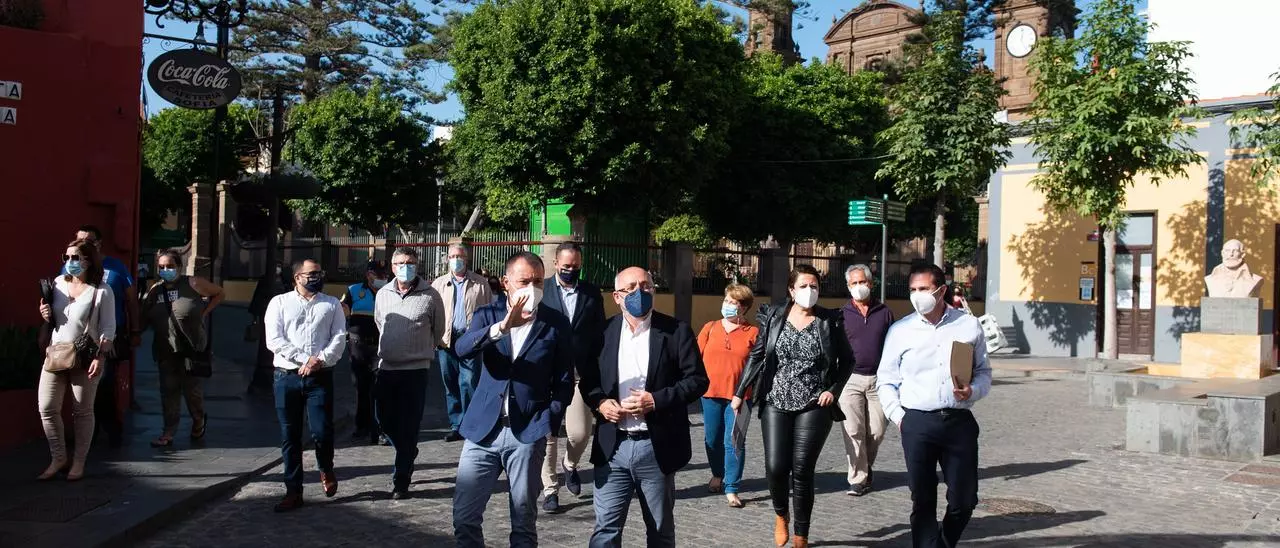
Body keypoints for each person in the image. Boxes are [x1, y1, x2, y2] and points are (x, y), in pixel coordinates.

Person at [450, 251, 574, 547]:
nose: (532, 287)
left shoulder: (556, 322)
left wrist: (548, 421)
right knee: (464, 517)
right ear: (506, 282)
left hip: (527, 432)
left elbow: (564, 381)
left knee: (523, 521)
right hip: (483, 431)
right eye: (524, 281)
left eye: (538, 281)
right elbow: (462, 348)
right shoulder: (488, 314)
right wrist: (502, 327)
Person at [580, 266, 708, 548]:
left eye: (646, 286)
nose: (639, 292)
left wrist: (656, 400)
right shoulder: (602, 334)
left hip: (655, 446)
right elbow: (588, 382)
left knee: (660, 531)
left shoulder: (676, 331)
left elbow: (697, 381)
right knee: (605, 531)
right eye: (630, 288)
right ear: (617, 297)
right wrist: (600, 403)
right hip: (613, 447)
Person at [732, 264, 854, 548]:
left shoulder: (829, 320)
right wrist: (739, 392)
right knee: (776, 467)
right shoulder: (774, 316)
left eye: (814, 286)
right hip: (776, 399)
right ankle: (780, 514)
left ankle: (801, 534)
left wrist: (833, 390)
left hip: (814, 403)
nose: (809, 291)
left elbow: (848, 361)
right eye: (803, 286)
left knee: (802, 469)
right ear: (791, 290)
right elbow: (758, 355)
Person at [878, 263, 992, 548]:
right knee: (923, 499)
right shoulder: (900, 330)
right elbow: (886, 380)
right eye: (913, 290)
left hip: (958, 422)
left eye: (924, 289)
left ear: (941, 291)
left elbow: (983, 372)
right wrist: (899, 417)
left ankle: (943, 543)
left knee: (964, 500)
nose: (917, 295)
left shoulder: (968, 325)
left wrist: (973, 390)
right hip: (917, 422)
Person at [264, 259, 347, 512]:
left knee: (322, 430)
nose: (316, 277)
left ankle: (326, 467)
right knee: (290, 436)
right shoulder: (279, 303)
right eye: (311, 273)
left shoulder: (331, 304)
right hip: (286, 377)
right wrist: (304, 359)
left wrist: (319, 360)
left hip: (319, 377)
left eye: (319, 273)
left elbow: (339, 337)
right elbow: (274, 339)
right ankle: (293, 490)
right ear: (297, 277)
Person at [37, 239, 116, 481]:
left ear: (88, 261)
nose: (69, 262)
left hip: (85, 356)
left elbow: (108, 328)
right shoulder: (58, 284)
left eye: (75, 257)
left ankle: (79, 462)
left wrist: (100, 357)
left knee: (82, 411)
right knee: (47, 407)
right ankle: (58, 457)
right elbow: (54, 319)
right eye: (67, 257)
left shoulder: (102, 291)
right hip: (56, 353)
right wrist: (44, 313)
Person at [373, 248, 446, 499]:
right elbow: (380, 323)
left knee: (409, 425)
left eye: (410, 262)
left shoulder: (431, 295)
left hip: (415, 370)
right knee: (383, 420)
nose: (406, 267)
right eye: (401, 263)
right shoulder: (383, 294)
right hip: (387, 367)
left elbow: (438, 330)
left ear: (417, 265)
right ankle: (407, 449)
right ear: (392, 267)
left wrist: (421, 349)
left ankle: (401, 480)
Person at [539, 242, 606, 513]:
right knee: (548, 433)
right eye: (566, 266)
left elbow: (599, 333)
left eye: (575, 266)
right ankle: (550, 490)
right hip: (546, 373)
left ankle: (570, 464)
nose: (570, 270)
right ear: (556, 263)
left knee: (580, 433)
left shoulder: (591, 293)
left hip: (579, 373)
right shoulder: (542, 290)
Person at [140, 249, 225, 448]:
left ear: (179, 266)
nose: (166, 270)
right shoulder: (155, 290)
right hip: (165, 349)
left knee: (192, 391)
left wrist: (204, 312)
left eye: (170, 266)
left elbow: (220, 293)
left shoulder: (193, 283)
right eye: (161, 267)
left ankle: (198, 420)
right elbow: (144, 317)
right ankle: (168, 431)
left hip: (191, 348)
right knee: (168, 391)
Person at [66, 225, 138, 446]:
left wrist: (134, 330)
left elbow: (131, 300)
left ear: (99, 243)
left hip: (108, 336)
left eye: (88, 241)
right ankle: (90, 429)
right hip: (78, 337)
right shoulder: (71, 265)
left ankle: (109, 427)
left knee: (104, 382)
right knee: (80, 383)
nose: (83, 245)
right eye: (79, 240)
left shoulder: (116, 268)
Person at [697, 283, 759, 508]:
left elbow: (757, 366)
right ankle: (717, 473)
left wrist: (745, 393)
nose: (728, 305)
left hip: (740, 397)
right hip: (710, 394)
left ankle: (732, 487)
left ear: (744, 308)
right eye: (727, 301)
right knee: (712, 439)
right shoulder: (710, 327)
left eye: (734, 302)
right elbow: (695, 358)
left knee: (734, 441)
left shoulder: (753, 333)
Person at [838, 264, 894, 497]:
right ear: (848, 286)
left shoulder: (884, 312)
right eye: (854, 283)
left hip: (879, 380)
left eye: (862, 282)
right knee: (853, 430)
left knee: (877, 431)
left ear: (870, 283)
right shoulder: (841, 314)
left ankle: (866, 466)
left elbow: (893, 345)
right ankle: (858, 479)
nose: (859, 286)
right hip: (850, 379)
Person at [431, 243, 495, 442]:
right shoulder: (439, 284)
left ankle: (470, 424)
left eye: (459, 256)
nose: (455, 260)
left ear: (466, 259)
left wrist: (485, 337)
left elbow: (489, 311)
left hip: (471, 340)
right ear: (447, 259)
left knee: (468, 382)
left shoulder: (480, 283)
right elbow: (431, 312)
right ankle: (456, 425)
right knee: (450, 382)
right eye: (452, 256)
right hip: (446, 340)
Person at [340, 260, 388, 445]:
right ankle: (362, 426)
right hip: (358, 347)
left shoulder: (390, 292)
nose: (383, 278)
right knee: (361, 388)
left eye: (385, 275)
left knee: (380, 388)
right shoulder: (353, 291)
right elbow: (342, 311)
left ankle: (380, 430)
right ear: (369, 275)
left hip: (380, 347)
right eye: (379, 275)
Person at [247, 262, 287, 394]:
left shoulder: (285, 280)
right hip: (267, 318)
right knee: (267, 345)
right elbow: (258, 298)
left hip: (281, 318)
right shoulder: (266, 281)